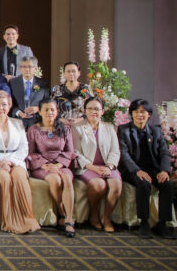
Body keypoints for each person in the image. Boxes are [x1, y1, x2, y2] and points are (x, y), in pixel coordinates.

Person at [0, 90, 40, 234]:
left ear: (9, 106)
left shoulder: (18, 123)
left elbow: (24, 148)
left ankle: (26, 219)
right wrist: (0, 162)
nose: (1, 108)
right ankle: (9, 221)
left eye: (4, 104)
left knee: (19, 178)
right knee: (5, 179)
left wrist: (10, 161)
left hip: (15, 160)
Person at [117, 99, 175, 239]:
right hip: (132, 170)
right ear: (131, 114)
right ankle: (144, 222)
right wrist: (137, 171)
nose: (139, 115)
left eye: (143, 112)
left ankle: (163, 223)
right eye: (136, 112)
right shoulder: (124, 130)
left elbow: (164, 153)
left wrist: (164, 171)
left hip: (152, 169)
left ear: (149, 114)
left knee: (167, 184)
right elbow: (124, 155)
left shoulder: (156, 131)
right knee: (144, 184)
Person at [26, 99, 77, 238]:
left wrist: (58, 165)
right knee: (55, 180)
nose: (50, 112)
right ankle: (62, 212)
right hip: (42, 166)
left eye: (52, 110)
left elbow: (70, 151)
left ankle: (69, 219)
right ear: (40, 112)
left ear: (57, 112)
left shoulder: (65, 129)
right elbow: (31, 153)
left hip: (60, 164)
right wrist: (45, 165)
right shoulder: (33, 130)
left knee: (67, 178)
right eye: (46, 110)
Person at [72, 97, 121, 232]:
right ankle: (94, 214)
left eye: (97, 109)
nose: (93, 112)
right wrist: (93, 167)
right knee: (99, 185)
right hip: (87, 167)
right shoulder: (77, 128)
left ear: (102, 111)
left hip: (107, 166)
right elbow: (76, 152)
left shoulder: (109, 128)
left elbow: (115, 151)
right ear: (85, 111)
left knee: (116, 185)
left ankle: (106, 217)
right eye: (90, 109)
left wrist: (109, 167)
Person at [9, 56, 50, 129]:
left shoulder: (43, 83)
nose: (27, 69)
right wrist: (18, 112)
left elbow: (47, 102)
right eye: (24, 67)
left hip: (37, 121)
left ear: (35, 69)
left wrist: (38, 108)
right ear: (20, 69)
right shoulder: (12, 83)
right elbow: (9, 102)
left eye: (30, 67)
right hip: (18, 122)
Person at [51, 61, 92, 125]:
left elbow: (92, 107)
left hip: (81, 124)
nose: (71, 74)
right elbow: (51, 107)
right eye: (68, 71)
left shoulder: (85, 88)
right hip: (61, 124)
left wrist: (79, 120)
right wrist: (61, 120)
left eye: (73, 71)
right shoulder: (57, 89)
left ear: (79, 73)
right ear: (64, 73)